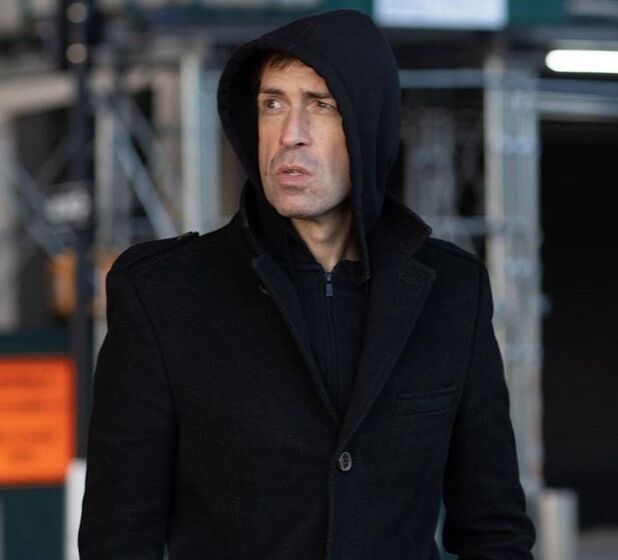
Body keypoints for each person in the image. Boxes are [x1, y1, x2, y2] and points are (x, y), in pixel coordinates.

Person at [79, 9, 535, 560]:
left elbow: (494, 530)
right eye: (272, 104)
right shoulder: (163, 295)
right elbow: (119, 539)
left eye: (321, 105)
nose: (290, 135)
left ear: (368, 124)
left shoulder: (453, 292)